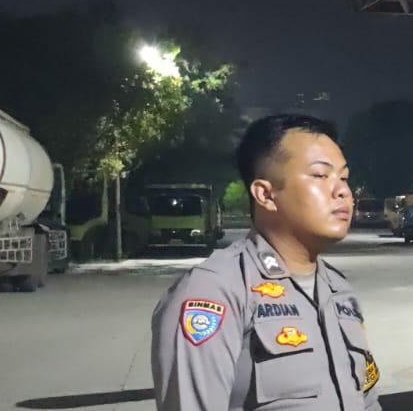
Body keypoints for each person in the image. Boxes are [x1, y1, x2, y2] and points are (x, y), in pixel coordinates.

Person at [152, 114, 383, 411]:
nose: (343, 191)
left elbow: (367, 400)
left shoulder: (339, 289)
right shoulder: (214, 292)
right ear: (266, 194)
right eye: (320, 175)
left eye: (344, 177)